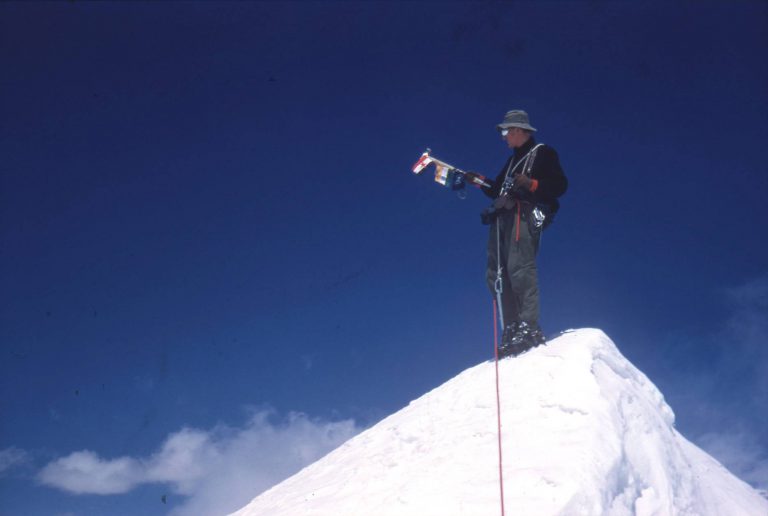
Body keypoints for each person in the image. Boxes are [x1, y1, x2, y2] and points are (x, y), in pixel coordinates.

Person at [480, 110, 567, 358]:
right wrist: (478, 180)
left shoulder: (543, 152)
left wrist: (532, 184)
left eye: (506, 132)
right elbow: (496, 189)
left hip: (524, 214)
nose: (504, 137)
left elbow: (560, 185)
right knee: (497, 272)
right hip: (503, 218)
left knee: (519, 267)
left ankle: (528, 325)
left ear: (519, 131)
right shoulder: (512, 162)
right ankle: (512, 327)